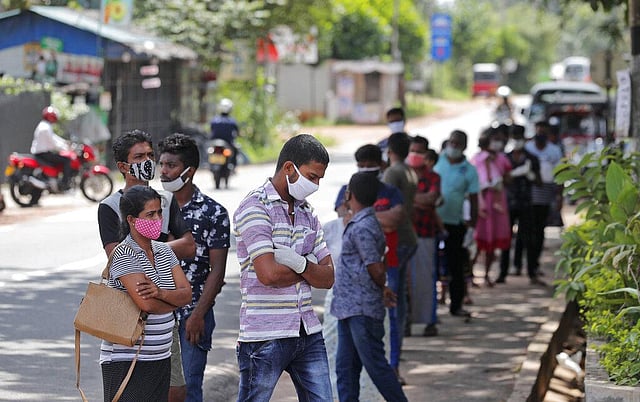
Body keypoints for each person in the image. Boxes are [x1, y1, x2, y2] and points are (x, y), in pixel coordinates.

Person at [233, 134, 334, 401]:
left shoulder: (308, 212)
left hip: (307, 330)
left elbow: (328, 278)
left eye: (319, 179)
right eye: (312, 177)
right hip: (264, 335)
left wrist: (295, 261)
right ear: (289, 168)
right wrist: (309, 267)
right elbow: (268, 274)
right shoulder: (255, 207)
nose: (316, 185)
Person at [98, 129, 196, 402]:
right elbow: (144, 298)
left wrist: (162, 286)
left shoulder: (166, 202)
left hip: (160, 343)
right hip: (128, 334)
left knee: (175, 391)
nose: (148, 162)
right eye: (139, 156)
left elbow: (189, 248)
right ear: (122, 166)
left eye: (150, 155)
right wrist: (171, 296)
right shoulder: (110, 207)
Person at [158, 133, 230, 402]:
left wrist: (198, 314)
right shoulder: (152, 207)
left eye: (171, 165)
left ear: (190, 171)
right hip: (154, 315)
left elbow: (217, 271)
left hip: (192, 316)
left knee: (188, 389)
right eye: (162, 164)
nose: (164, 171)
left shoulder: (213, 213)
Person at [332, 172, 408, 402]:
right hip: (348, 307)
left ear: (349, 195)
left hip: (361, 308)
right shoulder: (362, 222)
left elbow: (374, 265)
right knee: (345, 368)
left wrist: (382, 285)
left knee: (376, 366)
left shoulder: (363, 226)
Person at [381, 132, 418, 382]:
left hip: (396, 242)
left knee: (391, 303)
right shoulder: (409, 171)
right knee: (399, 302)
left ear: (390, 150)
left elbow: (386, 209)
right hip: (408, 239)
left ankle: (392, 363)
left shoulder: (393, 173)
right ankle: (395, 356)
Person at [434, 130, 479, 318]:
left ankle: (456, 304)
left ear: (464, 146)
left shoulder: (469, 170)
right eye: (451, 142)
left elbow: (474, 200)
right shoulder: (437, 161)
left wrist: (472, 227)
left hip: (455, 223)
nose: (453, 146)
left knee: (456, 266)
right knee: (431, 264)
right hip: (432, 220)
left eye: (458, 143)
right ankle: (430, 309)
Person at [406, 140, 442, 337]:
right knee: (405, 281)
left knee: (426, 278)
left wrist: (410, 199)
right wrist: (420, 200)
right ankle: (406, 321)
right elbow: (423, 200)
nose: (414, 155)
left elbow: (431, 199)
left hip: (425, 233)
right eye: (412, 151)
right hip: (404, 234)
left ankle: (429, 321)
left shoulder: (433, 177)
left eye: (419, 152)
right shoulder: (403, 174)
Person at [470, 128, 512, 286]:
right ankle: (470, 275)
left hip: (498, 203)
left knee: (493, 241)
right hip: (482, 202)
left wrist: (500, 182)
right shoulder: (477, 160)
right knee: (477, 241)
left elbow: (508, 177)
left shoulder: (501, 159)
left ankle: (487, 274)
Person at [499, 125, 540, 282]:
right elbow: (502, 179)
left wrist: (530, 175)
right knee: (506, 239)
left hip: (526, 204)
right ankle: (502, 273)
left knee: (529, 239)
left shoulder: (531, 158)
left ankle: (531, 272)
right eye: (514, 137)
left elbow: (539, 182)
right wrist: (513, 174)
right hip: (508, 204)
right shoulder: (504, 158)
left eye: (519, 137)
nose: (517, 140)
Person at [524, 122, 564, 285]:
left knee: (540, 231)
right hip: (529, 195)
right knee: (529, 232)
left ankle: (535, 264)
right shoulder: (528, 148)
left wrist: (559, 196)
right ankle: (530, 267)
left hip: (546, 194)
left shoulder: (554, 150)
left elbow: (560, 174)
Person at [30, 106, 72, 190]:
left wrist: (64, 142)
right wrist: (64, 148)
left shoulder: (43, 125)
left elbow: (54, 138)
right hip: (43, 153)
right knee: (66, 160)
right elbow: (52, 143)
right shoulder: (46, 128)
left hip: (40, 153)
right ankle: (64, 184)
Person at [210, 98, 239, 167]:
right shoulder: (232, 121)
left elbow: (211, 129)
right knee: (236, 149)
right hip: (228, 143)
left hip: (215, 142)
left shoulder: (214, 120)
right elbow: (237, 131)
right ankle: (233, 165)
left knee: (209, 149)